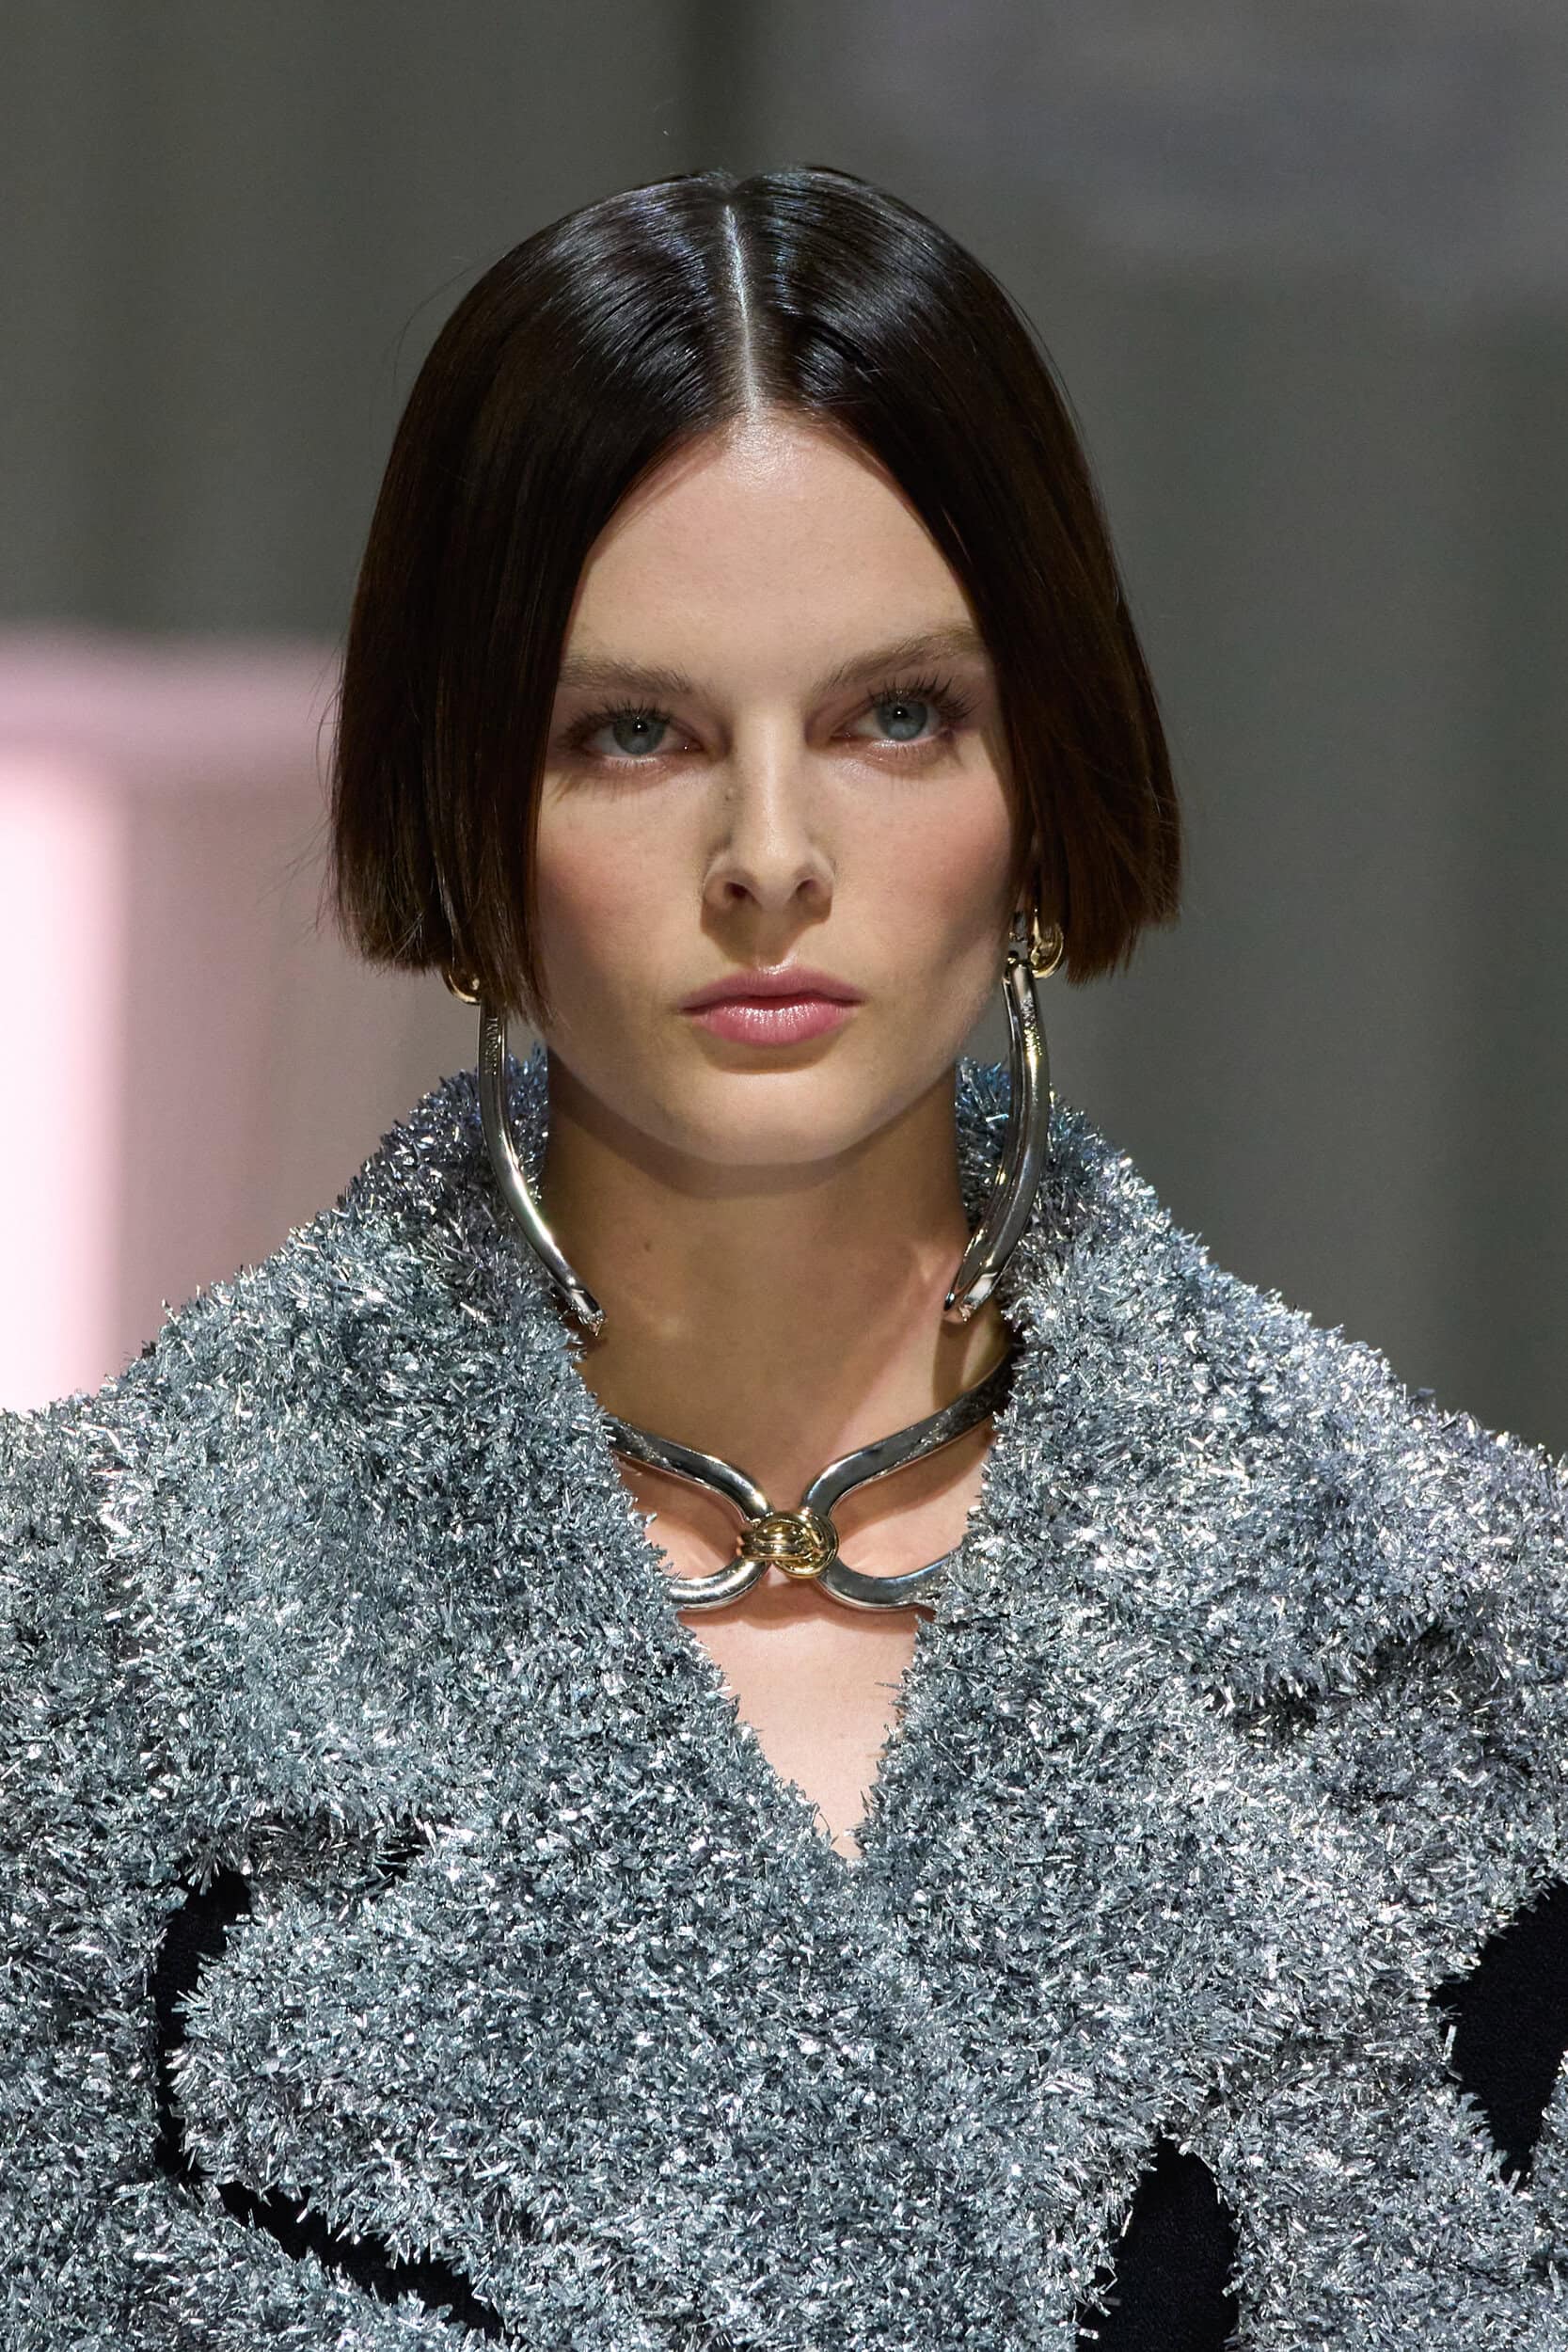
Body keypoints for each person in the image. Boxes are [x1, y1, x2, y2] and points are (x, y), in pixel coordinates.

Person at [3, 165, 1565, 2352]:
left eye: (892, 714)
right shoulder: (87, 1637)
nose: (768, 857)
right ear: (468, 804)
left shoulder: (1484, 1655)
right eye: (630, 731)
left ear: (1045, 772)